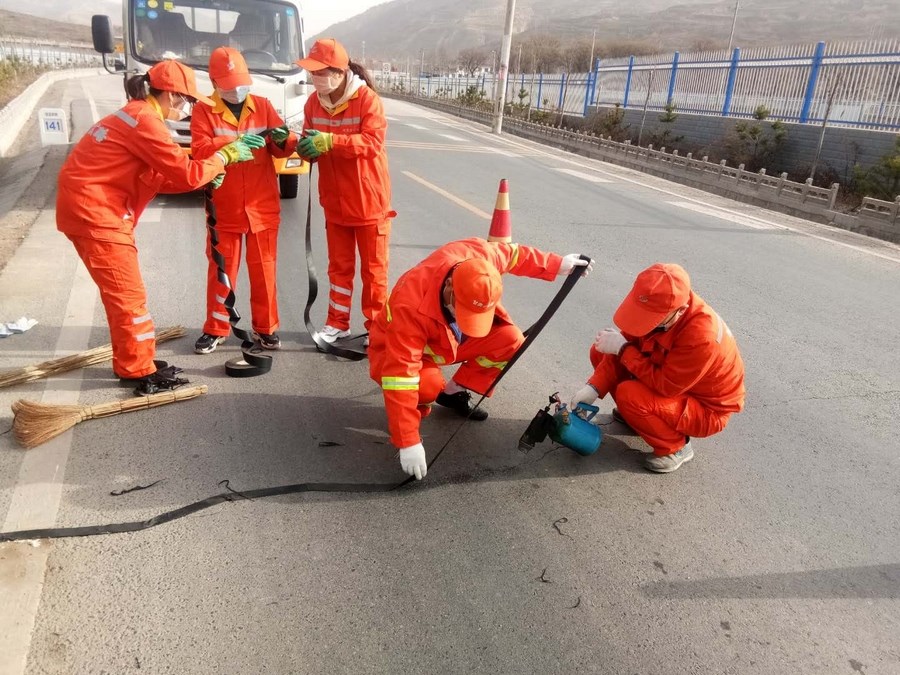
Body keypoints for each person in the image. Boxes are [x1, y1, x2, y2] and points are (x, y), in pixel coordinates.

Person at [56, 60, 255, 395]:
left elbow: (157, 177)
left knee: (122, 295)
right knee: (128, 296)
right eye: (188, 100)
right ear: (172, 95)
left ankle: (134, 359)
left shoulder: (136, 114)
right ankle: (136, 369)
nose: (189, 108)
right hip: (97, 215)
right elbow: (185, 174)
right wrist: (223, 158)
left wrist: (205, 177)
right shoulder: (146, 121)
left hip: (91, 209)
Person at [369, 237, 593, 480]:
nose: (468, 320)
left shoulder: (479, 258)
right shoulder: (410, 304)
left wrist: (558, 264)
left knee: (510, 340)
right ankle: (418, 406)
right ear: (449, 288)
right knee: (426, 387)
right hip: (396, 351)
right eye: (463, 311)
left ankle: (453, 392)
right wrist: (407, 441)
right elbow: (400, 376)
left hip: (445, 342)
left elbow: (515, 255)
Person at [569, 263, 745, 473]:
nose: (643, 322)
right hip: (672, 380)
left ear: (679, 311)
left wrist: (623, 350)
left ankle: (676, 447)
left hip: (704, 409)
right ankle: (637, 418)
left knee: (630, 394)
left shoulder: (702, 337)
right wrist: (594, 387)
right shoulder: (659, 303)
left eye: (651, 319)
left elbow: (666, 386)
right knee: (601, 351)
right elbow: (625, 343)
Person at [190, 47, 299, 354]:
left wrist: (286, 140)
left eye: (240, 83)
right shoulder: (203, 111)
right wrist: (232, 142)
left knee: (265, 270)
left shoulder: (263, 106)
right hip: (224, 207)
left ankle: (266, 328)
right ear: (215, 82)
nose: (237, 90)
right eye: (229, 84)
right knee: (222, 272)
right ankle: (216, 328)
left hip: (262, 205)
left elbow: (281, 145)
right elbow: (199, 151)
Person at [295, 38, 395, 345]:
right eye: (312, 73)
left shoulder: (366, 100)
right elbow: (309, 143)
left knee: (374, 272)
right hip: (335, 202)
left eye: (320, 72)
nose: (315, 78)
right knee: (338, 269)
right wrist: (306, 149)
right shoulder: (313, 103)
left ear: (339, 72)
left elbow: (372, 143)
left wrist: (331, 141)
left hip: (368, 203)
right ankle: (337, 323)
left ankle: (377, 328)